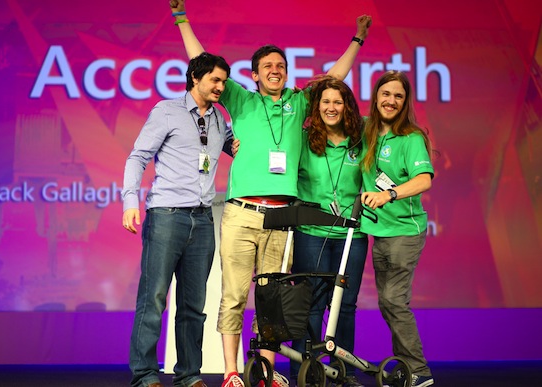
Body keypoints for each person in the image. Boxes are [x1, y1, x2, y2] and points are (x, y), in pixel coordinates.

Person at [169, 2, 371, 386]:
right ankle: (232, 372)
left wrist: (357, 39)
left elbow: (334, 80)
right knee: (233, 296)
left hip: (283, 220)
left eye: (281, 66)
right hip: (242, 213)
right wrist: (182, 20)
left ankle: (264, 370)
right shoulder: (241, 100)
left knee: (272, 300)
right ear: (254, 75)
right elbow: (201, 62)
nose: (275, 71)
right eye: (268, 67)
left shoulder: (299, 102)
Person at [121, 52, 233, 387]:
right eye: (215, 80)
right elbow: (138, 156)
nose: (221, 87)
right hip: (167, 215)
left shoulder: (219, 122)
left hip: (202, 220)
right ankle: (144, 374)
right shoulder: (166, 110)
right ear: (195, 77)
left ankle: (188, 375)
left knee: (193, 303)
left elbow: (241, 148)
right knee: (153, 297)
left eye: (224, 82)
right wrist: (130, 201)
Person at [291, 75, 368, 387]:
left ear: (347, 106)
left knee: (346, 304)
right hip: (312, 232)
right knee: (312, 303)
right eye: (325, 101)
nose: (331, 107)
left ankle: (344, 371)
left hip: (353, 235)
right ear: (316, 106)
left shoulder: (361, 142)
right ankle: (306, 370)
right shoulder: (304, 138)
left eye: (338, 101)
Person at [360, 70, 435, 387]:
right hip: (380, 233)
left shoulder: (411, 138)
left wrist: (389, 193)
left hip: (405, 231)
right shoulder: (367, 132)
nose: (391, 101)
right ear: (375, 96)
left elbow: (424, 180)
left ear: (405, 102)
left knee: (394, 301)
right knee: (388, 303)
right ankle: (407, 367)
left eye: (398, 96)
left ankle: (419, 371)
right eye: (386, 94)